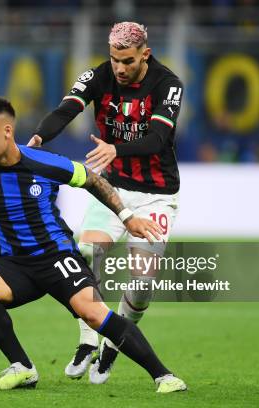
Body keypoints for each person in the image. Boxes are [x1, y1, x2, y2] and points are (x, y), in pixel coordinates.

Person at [0, 97, 186, 393]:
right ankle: (23, 367)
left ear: (7, 131)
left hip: (57, 257)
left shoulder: (44, 163)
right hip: (12, 265)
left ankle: (164, 376)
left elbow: (94, 181)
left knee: (94, 313)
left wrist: (127, 217)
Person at [28, 22, 184, 383]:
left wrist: (116, 148)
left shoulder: (168, 84)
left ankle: (115, 343)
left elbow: (159, 138)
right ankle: (86, 340)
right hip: (110, 187)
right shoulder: (99, 74)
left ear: (145, 54)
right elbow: (65, 110)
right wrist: (37, 138)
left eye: (127, 61)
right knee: (87, 253)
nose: (119, 68)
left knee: (142, 283)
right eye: (114, 59)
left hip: (157, 194)